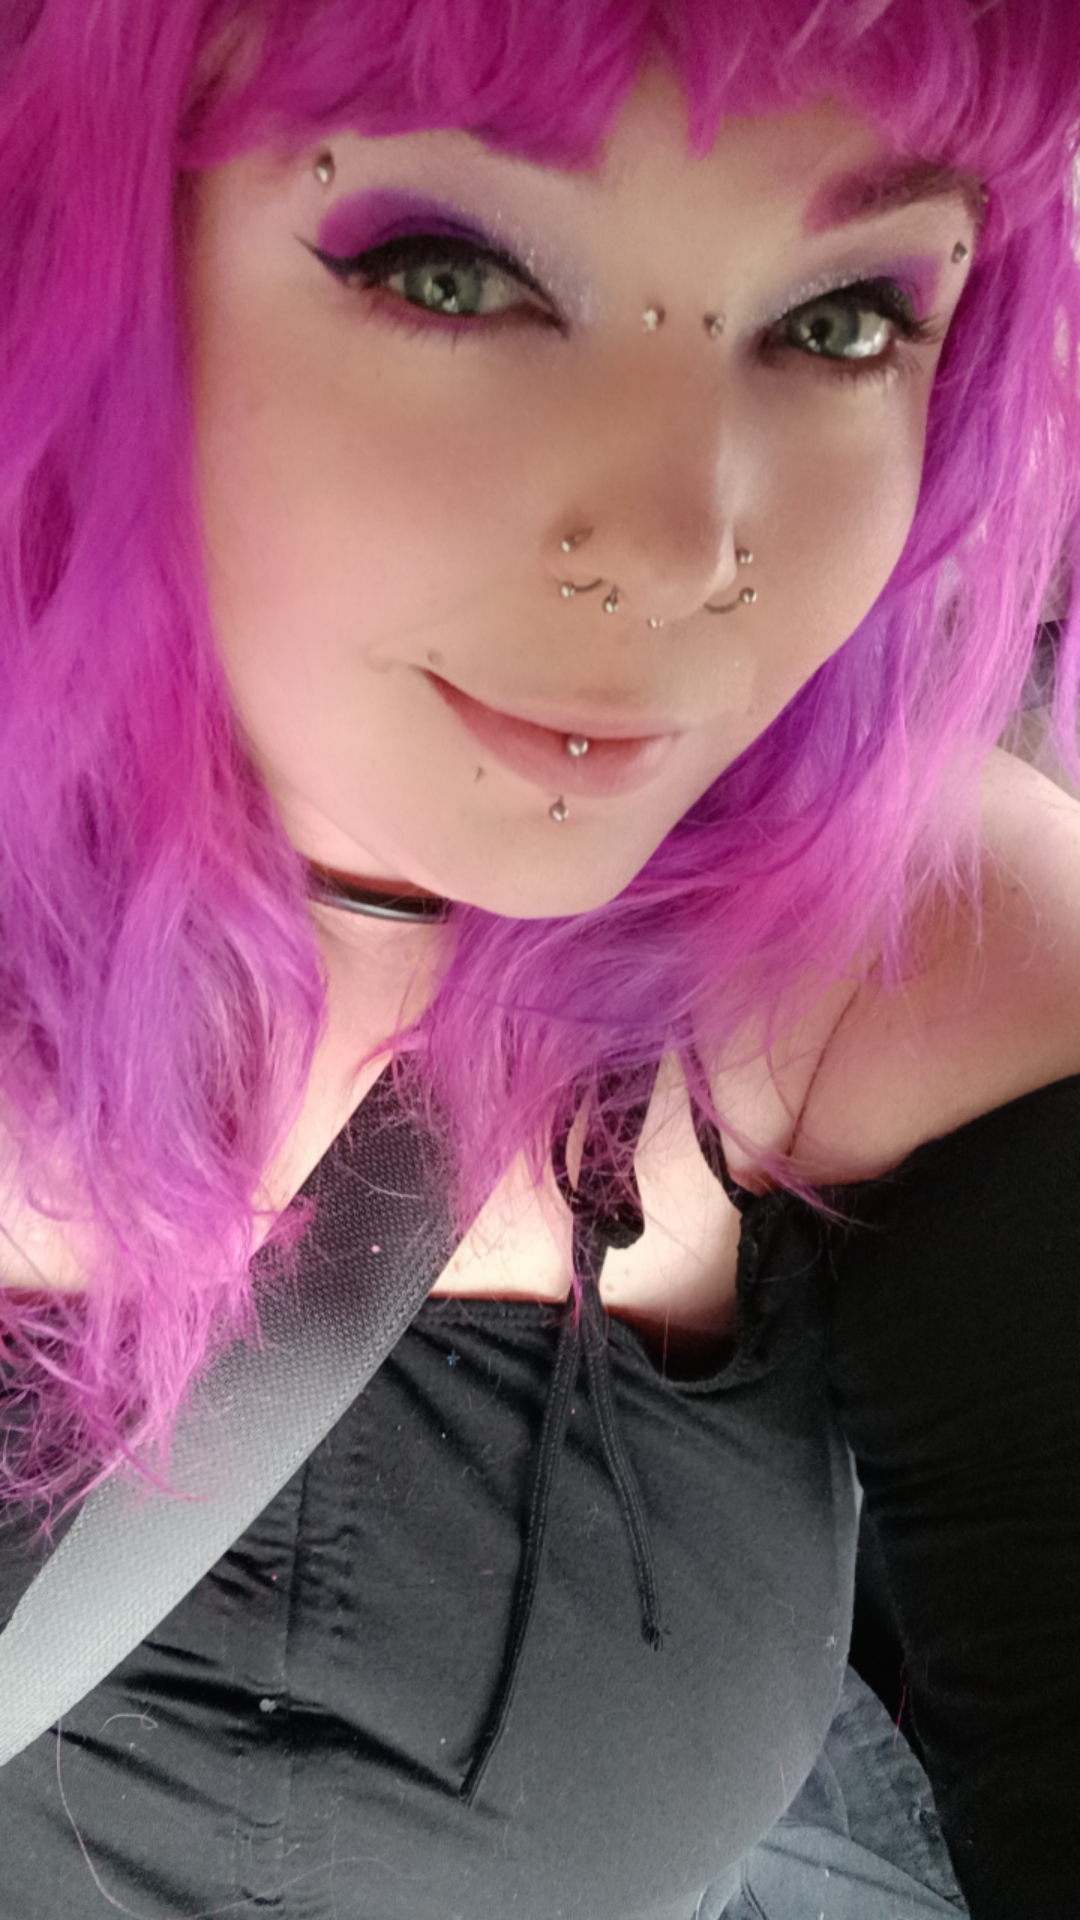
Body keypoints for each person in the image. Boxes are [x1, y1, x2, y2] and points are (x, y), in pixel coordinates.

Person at [0, 0, 1078, 1914]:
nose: (681, 546)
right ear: (91, 259)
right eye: (450, 274)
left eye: (844, 320)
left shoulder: (919, 949)